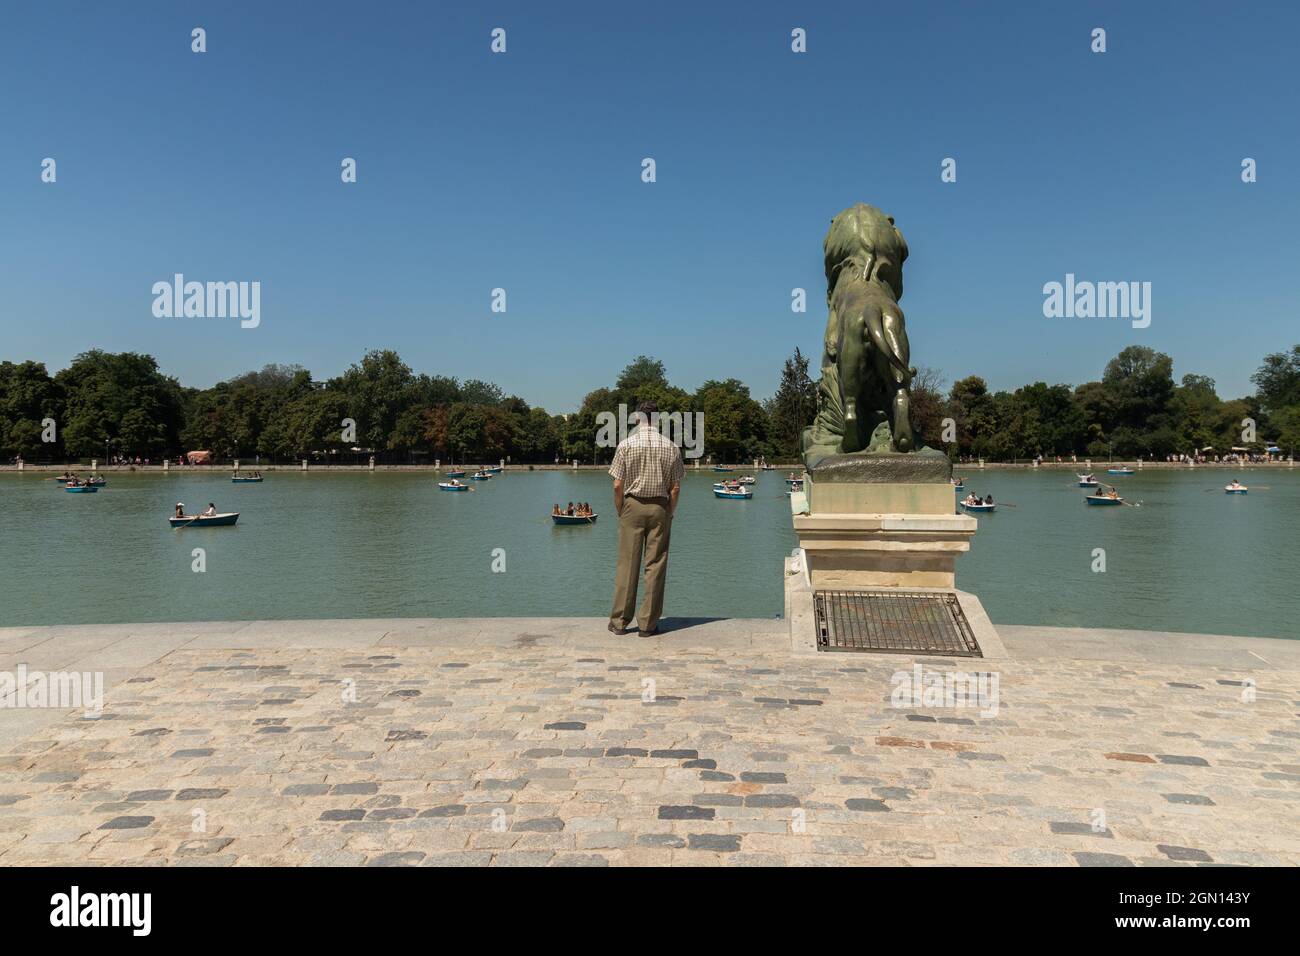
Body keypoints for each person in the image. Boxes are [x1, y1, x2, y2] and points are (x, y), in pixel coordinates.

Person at [608, 401, 684, 637]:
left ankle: (620, 622)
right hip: (660, 507)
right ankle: (648, 624)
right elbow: (675, 488)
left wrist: (621, 509)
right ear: (658, 419)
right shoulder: (671, 447)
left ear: (638, 418)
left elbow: (617, 484)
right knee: (655, 566)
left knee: (627, 565)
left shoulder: (626, 445)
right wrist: (669, 512)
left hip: (632, 505)